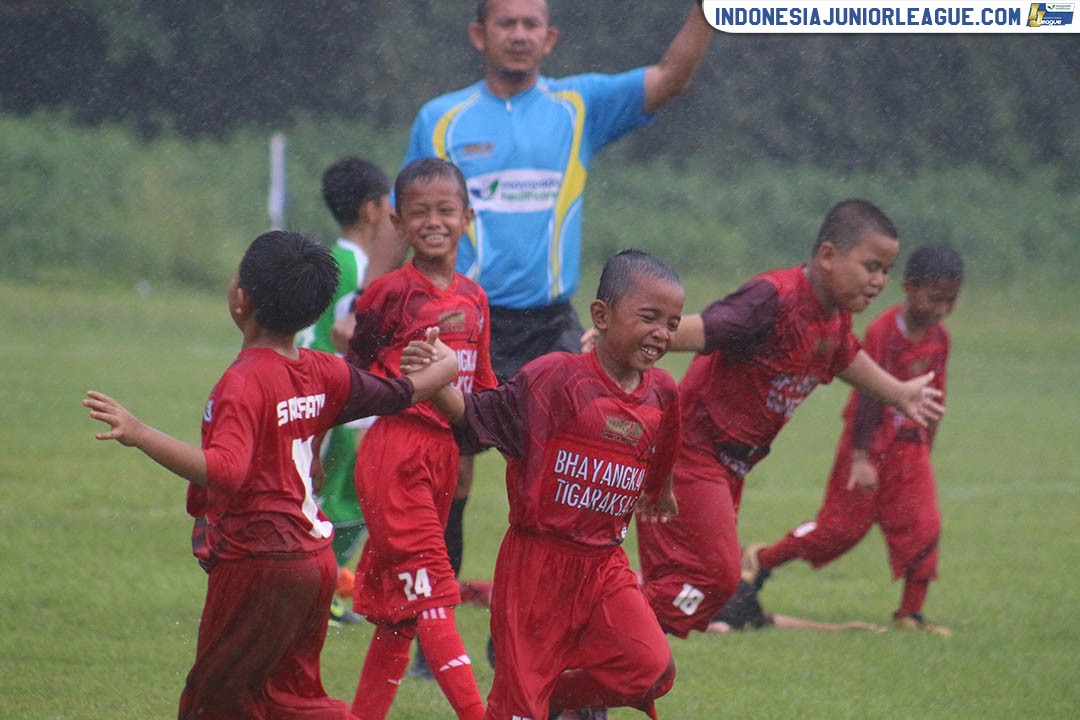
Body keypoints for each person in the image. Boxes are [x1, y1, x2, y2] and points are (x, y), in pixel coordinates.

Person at [83, 230, 458, 720]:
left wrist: (140, 432)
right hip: (314, 562)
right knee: (288, 700)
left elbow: (225, 471)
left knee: (213, 703)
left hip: (259, 562)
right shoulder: (324, 370)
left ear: (242, 299)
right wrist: (446, 366)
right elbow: (396, 394)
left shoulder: (243, 382)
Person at [635, 199, 947, 641]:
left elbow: (845, 356)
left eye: (886, 271)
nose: (879, 281)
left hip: (730, 467)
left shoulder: (833, 317)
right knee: (712, 580)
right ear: (828, 256)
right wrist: (629, 340)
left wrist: (898, 393)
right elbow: (701, 329)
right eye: (871, 266)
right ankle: (576, 644)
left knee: (689, 590)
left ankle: (575, 639)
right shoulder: (774, 298)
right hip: (691, 454)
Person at [421, 250, 686, 720]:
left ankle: (558, 698)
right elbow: (477, 415)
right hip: (536, 566)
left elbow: (664, 442)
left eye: (672, 323)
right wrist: (435, 378)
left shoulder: (662, 391)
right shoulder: (556, 378)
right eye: (649, 318)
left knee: (650, 670)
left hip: (603, 563)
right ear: (601, 316)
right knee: (516, 710)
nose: (661, 334)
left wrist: (660, 489)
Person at [743, 244, 964, 637]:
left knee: (924, 526)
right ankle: (763, 559)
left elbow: (934, 401)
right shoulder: (883, 331)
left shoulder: (940, 339)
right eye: (935, 298)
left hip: (909, 450)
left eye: (950, 300)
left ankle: (909, 615)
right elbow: (865, 396)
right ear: (909, 288)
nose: (941, 309)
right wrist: (861, 457)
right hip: (867, 449)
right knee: (838, 533)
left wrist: (925, 449)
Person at [344, 158, 495, 720]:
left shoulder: (476, 299)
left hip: (443, 461)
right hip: (395, 457)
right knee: (433, 590)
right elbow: (354, 375)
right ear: (397, 223)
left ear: (468, 217)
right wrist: (403, 380)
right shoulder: (387, 294)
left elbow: (483, 390)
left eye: (445, 210)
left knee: (401, 611)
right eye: (419, 212)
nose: (434, 222)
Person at [297, 155, 393, 626]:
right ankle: (325, 592)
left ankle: (324, 589)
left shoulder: (328, 260)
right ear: (374, 210)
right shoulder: (359, 268)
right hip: (343, 399)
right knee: (344, 499)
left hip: (316, 392)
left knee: (328, 494)